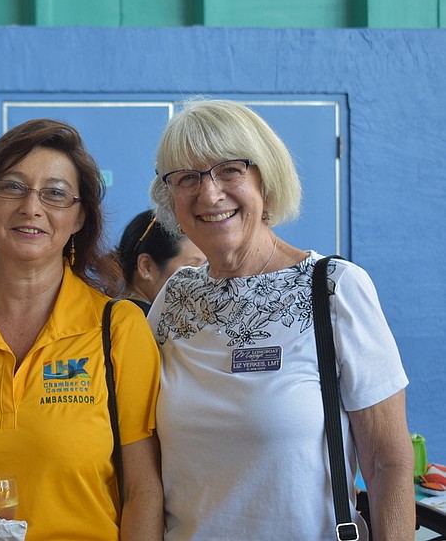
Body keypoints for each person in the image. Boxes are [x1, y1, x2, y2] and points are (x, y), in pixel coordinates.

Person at [147, 98, 415, 540]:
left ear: (265, 181)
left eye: (230, 169)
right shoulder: (175, 299)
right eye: (187, 177)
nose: (209, 193)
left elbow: (389, 463)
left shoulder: (333, 289)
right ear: (171, 198)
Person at [0, 119, 163, 540]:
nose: (31, 207)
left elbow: (144, 491)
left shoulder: (117, 328)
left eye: (56, 194)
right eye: (12, 187)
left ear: (79, 218)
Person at [115, 209, 205, 314]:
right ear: (146, 267)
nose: (204, 279)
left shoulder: (117, 315)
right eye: (192, 267)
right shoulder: (141, 325)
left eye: (205, 267)